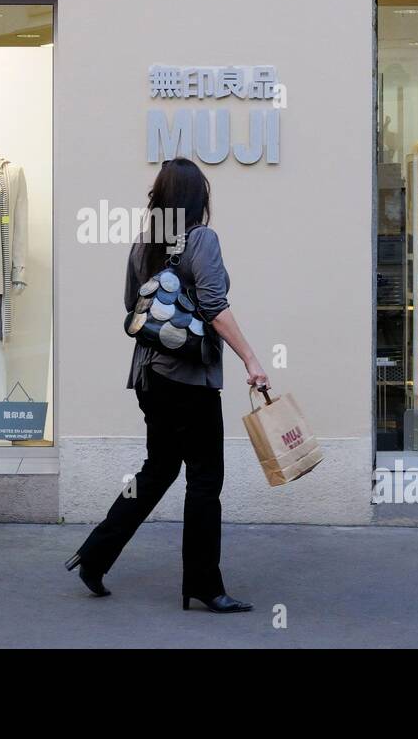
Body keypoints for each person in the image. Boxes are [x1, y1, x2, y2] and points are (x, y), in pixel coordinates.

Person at [66, 157, 268, 612]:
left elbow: (130, 305)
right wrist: (252, 360)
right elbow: (215, 306)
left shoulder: (143, 245)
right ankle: (202, 583)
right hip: (189, 380)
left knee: (157, 470)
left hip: (148, 378)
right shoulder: (201, 239)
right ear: (200, 199)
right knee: (204, 479)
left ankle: (95, 556)